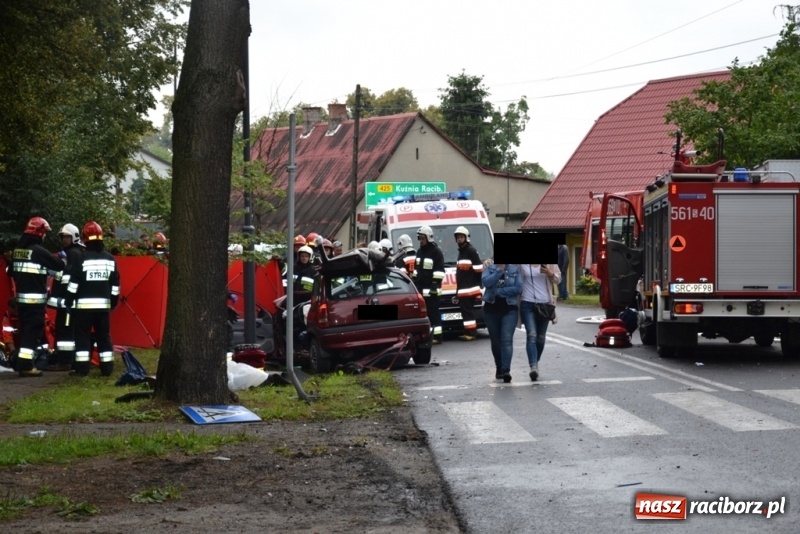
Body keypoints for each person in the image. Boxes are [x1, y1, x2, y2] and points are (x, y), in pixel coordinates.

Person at [7, 217, 65, 377]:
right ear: (39, 233)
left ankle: (23, 364)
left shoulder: (18, 250)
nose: (45, 236)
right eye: (44, 233)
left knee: (26, 331)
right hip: (35, 302)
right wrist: (62, 257)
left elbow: (10, 271)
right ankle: (25, 366)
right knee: (33, 332)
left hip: (21, 302)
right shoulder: (38, 251)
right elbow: (59, 265)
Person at [65, 221, 120, 377]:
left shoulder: (81, 259)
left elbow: (73, 284)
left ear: (85, 238)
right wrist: (113, 302)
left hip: (83, 308)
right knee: (104, 336)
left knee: (82, 336)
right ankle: (107, 368)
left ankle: (82, 369)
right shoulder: (110, 259)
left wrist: (69, 301)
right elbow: (115, 284)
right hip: (103, 308)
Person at [47, 223, 85, 371]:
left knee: (65, 330)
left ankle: (65, 362)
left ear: (74, 237)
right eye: (63, 236)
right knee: (64, 329)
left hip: (69, 301)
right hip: (66, 300)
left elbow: (70, 277)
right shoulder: (71, 252)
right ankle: (66, 359)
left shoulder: (73, 254)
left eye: (67, 236)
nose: (64, 239)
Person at [519, 262, 561, 381]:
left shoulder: (549, 264)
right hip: (527, 304)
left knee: (541, 338)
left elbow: (558, 279)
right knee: (531, 334)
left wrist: (550, 273)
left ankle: (535, 362)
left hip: (544, 305)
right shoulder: (521, 265)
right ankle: (533, 367)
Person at [481, 260, 522, 382]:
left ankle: (506, 370)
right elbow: (486, 283)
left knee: (506, 339)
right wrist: (499, 270)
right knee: (496, 341)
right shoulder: (489, 267)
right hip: (490, 310)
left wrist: (499, 292)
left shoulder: (515, 268)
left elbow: (518, 288)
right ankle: (499, 367)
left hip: (509, 309)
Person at [413, 225, 444, 345]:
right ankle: (427, 335)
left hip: (433, 291)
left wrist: (435, 284)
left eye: (422, 238)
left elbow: (440, 271)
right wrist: (414, 282)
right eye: (419, 238)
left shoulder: (436, 252)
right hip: (421, 289)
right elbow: (416, 270)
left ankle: (437, 336)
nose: (421, 241)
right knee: (424, 315)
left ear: (429, 238)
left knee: (433, 314)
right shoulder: (419, 252)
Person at [454, 226, 482, 341]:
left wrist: (475, 283)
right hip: (463, 289)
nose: (459, 239)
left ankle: (471, 333)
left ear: (466, 238)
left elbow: (479, 269)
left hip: (469, 289)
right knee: (465, 311)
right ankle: (468, 331)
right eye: (458, 237)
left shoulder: (470, 250)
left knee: (468, 311)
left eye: (461, 237)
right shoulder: (462, 252)